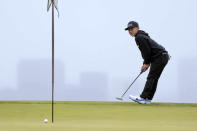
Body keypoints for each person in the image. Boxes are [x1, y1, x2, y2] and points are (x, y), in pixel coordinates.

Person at [125, 21, 170, 104]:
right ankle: (148, 99)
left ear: (137, 28)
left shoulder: (139, 37)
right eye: (128, 30)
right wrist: (147, 63)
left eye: (132, 29)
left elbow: (146, 51)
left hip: (160, 57)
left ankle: (143, 97)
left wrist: (146, 63)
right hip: (163, 56)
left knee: (151, 77)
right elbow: (148, 51)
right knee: (154, 78)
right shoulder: (141, 36)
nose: (130, 31)